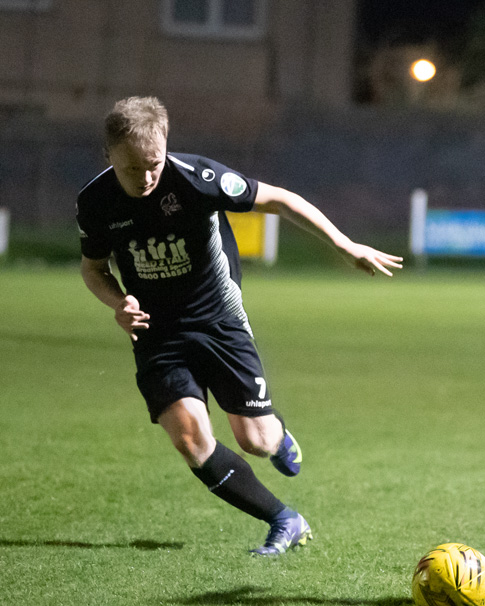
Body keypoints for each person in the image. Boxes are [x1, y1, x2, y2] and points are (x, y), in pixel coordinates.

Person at [77, 96, 403, 556]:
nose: (146, 177)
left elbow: (281, 200)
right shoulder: (94, 202)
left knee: (257, 440)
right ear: (107, 154)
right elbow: (93, 269)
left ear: (166, 146)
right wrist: (118, 303)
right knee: (191, 440)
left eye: (153, 163)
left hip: (218, 320)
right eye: (132, 168)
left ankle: (278, 435)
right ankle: (283, 520)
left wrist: (344, 244)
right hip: (156, 332)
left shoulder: (196, 179)